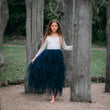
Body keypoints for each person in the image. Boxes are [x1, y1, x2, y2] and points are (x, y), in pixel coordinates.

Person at [27, 19, 73, 103]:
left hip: (58, 58)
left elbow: (65, 47)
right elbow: (42, 48)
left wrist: (74, 46)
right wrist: (35, 57)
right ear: (50, 27)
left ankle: (56, 93)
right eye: (52, 26)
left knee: (58, 76)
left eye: (56, 25)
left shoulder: (60, 36)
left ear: (58, 27)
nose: (54, 27)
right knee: (50, 76)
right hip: (49, 57)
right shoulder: (47, 37)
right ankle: (52, 96)